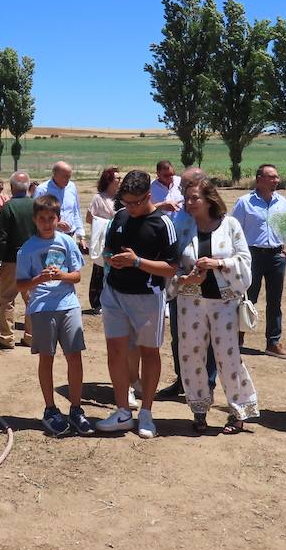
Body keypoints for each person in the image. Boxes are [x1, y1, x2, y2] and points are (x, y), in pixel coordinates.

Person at [96, 170, 180, 438]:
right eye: (126, 202)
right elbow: (108, 250)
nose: (130, 208)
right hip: (114, 295)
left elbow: (171, 268)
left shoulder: (163, 224)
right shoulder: (119, 216)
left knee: (149, 353)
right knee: (116, 352)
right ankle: (122, 411)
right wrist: (111, 258)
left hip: (148, 298)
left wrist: (136, 262)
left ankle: (146, 413)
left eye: (135, 203)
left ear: (148, 196)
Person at [174, 179, 258, 433]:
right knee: (190, 354)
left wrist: (219, 264)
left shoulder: (230, 225)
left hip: (225, 302)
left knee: (228, 356)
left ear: (209, 199)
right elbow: (173, 263)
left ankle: (238, 411)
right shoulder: (183, 227)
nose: (189, 203)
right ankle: (199, 409)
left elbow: (244, 260)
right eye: (186, 198)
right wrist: (186, 277)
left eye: (194, 198)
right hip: (191, 301)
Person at [16, 193, 94, 437]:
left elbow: (77, 276)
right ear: (35, 220)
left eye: (51, 218)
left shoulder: (67, 242)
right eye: (42, 219)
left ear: (58, 218)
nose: (47, 223)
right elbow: (21, 285)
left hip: (68, 305)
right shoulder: (27, 249)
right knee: (46, 358)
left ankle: (76, 409)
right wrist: (39, 278)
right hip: (42, 308)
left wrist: (61, 276)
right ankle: (50, 409)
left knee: (74, 356)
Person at [156, 166, 219, 401]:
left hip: (208, 283)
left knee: (208, 337)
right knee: (180, 336)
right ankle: (182, 380)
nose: (182, 190)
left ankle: (208, 383)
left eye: (187, 185)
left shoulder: (216, 216)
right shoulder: (180, 212)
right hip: (181, 283)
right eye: (182, 187)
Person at [231, 164, 286, 357]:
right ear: (259, 179)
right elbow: (234, 230)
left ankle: (273, 343)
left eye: (276, 177)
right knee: (247, 298)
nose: (276, 180)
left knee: (275, 300)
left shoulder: (282, 202)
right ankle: (236, 337)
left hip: (276, 256)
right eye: (271, 177)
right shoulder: (244, 202)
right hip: (252, 256)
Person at [0, 172, 35, 349]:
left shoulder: (8, 207)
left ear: (11, 187)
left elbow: (2, 238)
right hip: (32, 259)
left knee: (7, 299)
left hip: (11, 259)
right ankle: (31, 337)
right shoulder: (36, 206)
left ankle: (6, 337)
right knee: (32, 299)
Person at [85, 167, 121, 312]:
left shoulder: (121, 199)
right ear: (109, 180)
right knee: (99, 269)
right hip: (103, 239)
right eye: (117, 178)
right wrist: (104, 223)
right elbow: (89, 218)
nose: (119, 181)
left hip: (117, 239)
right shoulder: (98, 198)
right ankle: (96, 302)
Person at [40, 161, 84, 249]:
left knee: (72, 262)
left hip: (71, 236)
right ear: (55, 174)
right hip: (52, 238)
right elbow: (37, 215)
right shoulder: (42, 190)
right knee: (53, 262)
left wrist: (81, 235)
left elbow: (76, 211)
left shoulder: (72, 187)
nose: (68, 180)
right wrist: (56, 223)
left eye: (69, 177)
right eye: (65, 177)